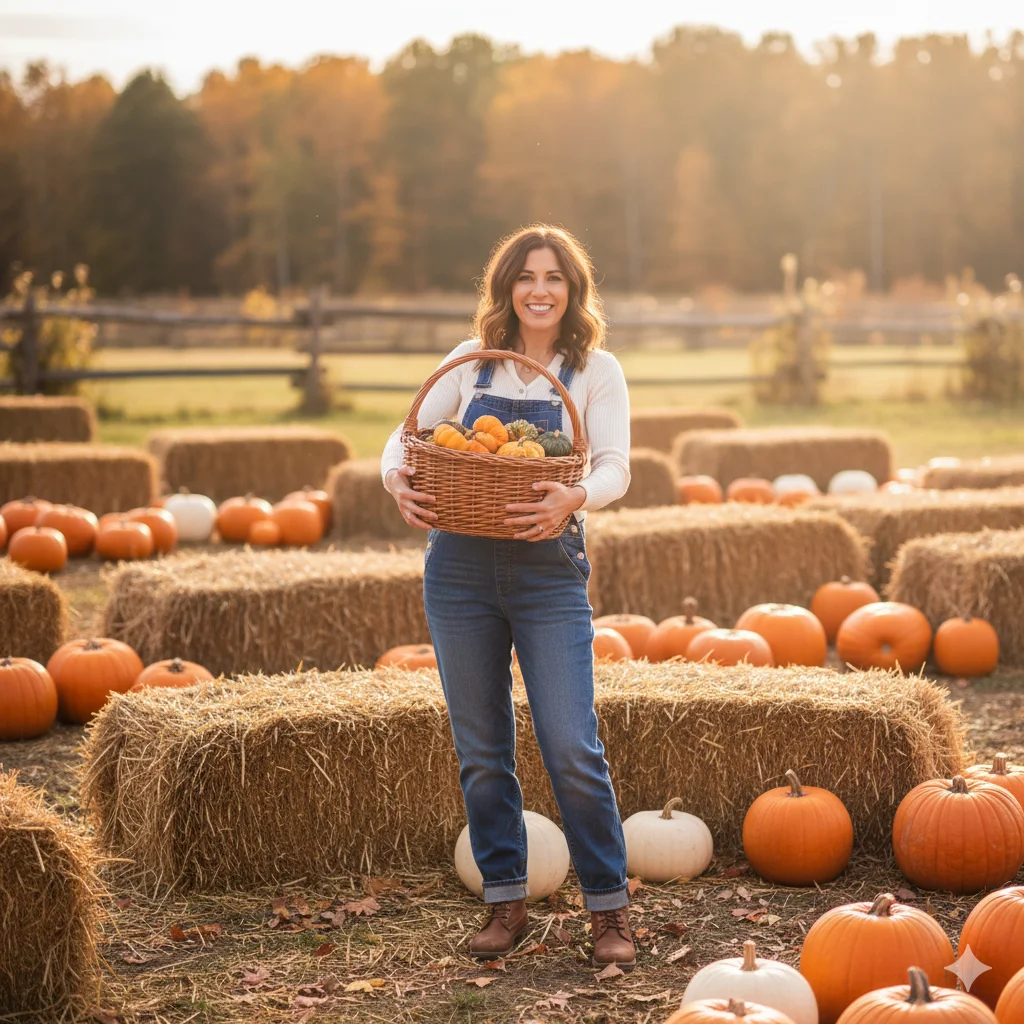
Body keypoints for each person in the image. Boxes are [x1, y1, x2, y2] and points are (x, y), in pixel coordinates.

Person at [381, 224, 634, 968]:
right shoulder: (470, 361)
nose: (540, 289)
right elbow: (405, 438)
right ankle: (505, 897)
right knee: (482, 748)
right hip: (458, 571)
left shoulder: (595, 370)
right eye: (527, 276)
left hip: (548, 571)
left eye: (554, 277)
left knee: (569, 741)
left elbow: (616, 464)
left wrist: (575, 497)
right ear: (507, 287)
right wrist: (395, 477)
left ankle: (609, 907)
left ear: (573, 289)